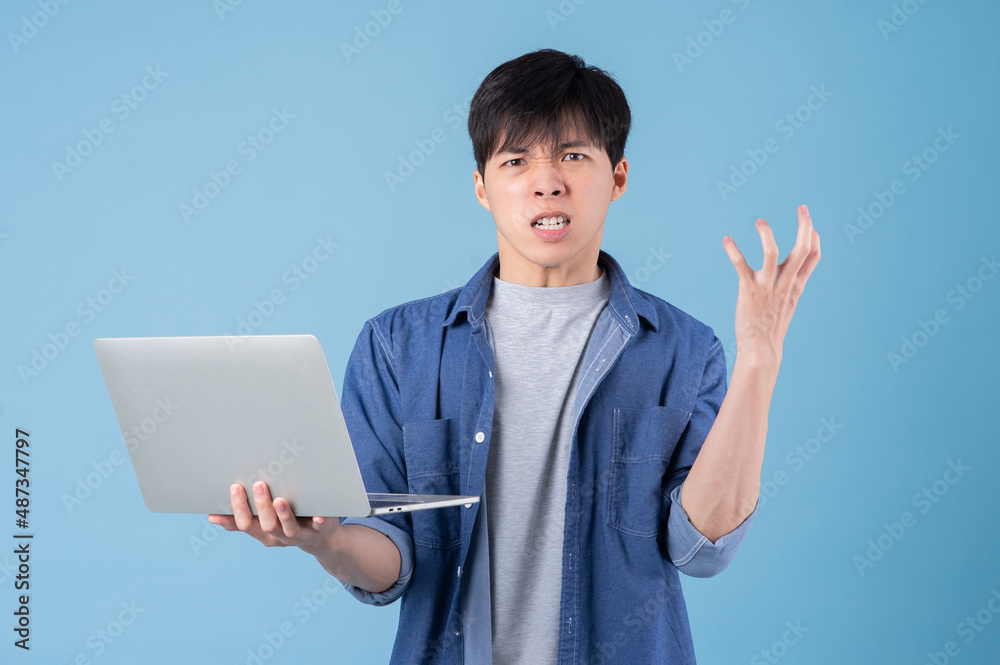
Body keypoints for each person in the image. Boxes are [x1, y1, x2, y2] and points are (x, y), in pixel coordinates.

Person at [208, 48, 821, 664]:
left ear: (618, 177)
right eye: (516, 159)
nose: (547, 180)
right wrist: (328, 541)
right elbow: (389, 559)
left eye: (574, 156)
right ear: (482, 187)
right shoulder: (399, 347)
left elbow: (703, 547)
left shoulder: (684, 350)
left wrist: (758, 362)